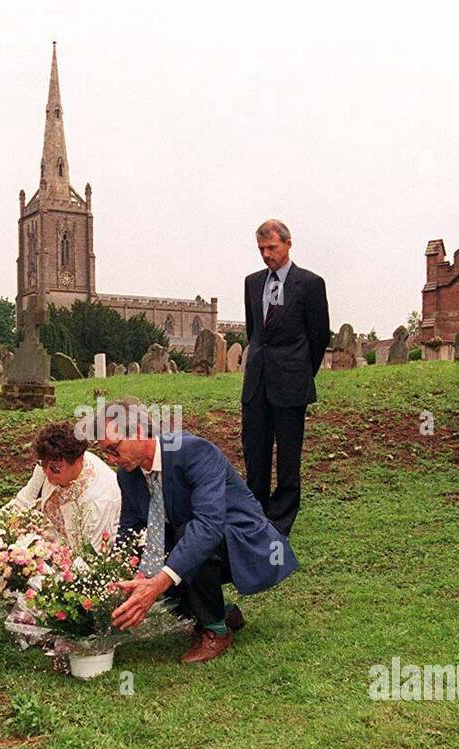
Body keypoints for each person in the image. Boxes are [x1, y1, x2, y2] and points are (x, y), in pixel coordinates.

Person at [98, 397, 299, 664]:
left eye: (114, 449)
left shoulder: (193, 451)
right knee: (157, 552)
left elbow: (208, 525)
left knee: (186, 540)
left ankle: (216, 630)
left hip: (241, 542)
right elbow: (131, 529)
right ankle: (222, 612)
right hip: (197, 539)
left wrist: (158, 582)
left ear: (136, 432)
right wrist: (119, 578)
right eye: (105, 453)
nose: (111, 459)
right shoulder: (128, 475)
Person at [240, 219, 331, 536]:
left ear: (288, 244)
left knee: (288, 458)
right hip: (257, 384)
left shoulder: (309, 283)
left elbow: (319, 336)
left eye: (272, 248)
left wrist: (301, 372)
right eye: (261, 249)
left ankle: (281, 522)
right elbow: (255, 332)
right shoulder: (252, 283)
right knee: (256, 454)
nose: (266, 255)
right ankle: (255, 517)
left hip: (291, 382)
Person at [4, 421, 121, 552]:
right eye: (43, 464)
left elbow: (88, 557)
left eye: (55, 468)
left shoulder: (98, 499)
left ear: (78, 461)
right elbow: (24, 501)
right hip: (47, 545)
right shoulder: (50, 461)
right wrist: (0, 531)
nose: (47, 472)